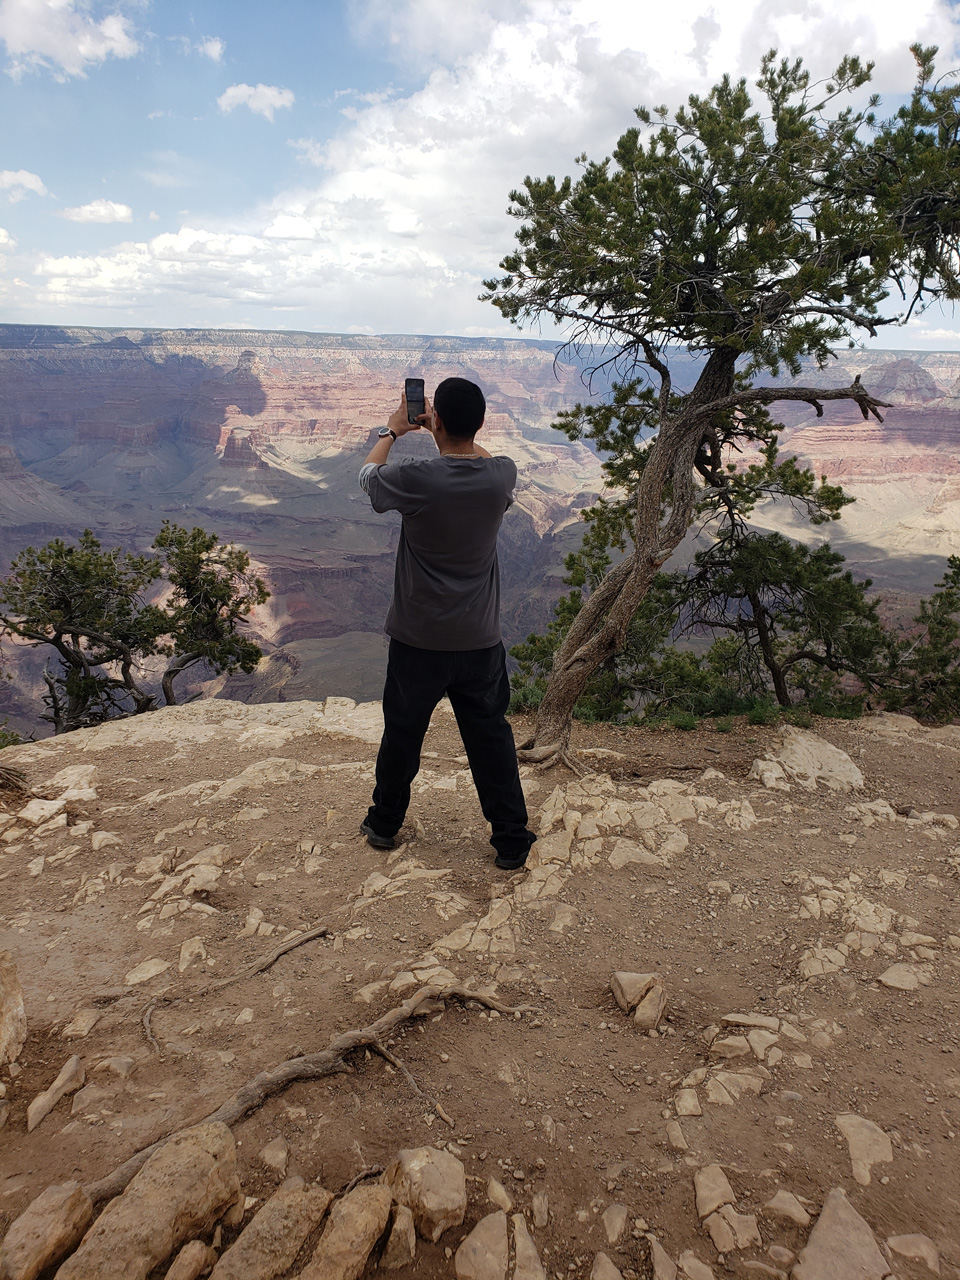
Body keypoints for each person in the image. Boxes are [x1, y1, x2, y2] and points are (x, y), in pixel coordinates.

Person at [357, 376, 536, 870]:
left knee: (403, 733)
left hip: (419, 640)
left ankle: (384, 824)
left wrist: (392, 431)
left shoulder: (418, 479)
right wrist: (451, 431)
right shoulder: (503, 474)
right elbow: (476, 457)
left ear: (433, 418)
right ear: (480, 423)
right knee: (490, 739)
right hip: (480, 642)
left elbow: (368, 480)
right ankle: (512, 839)